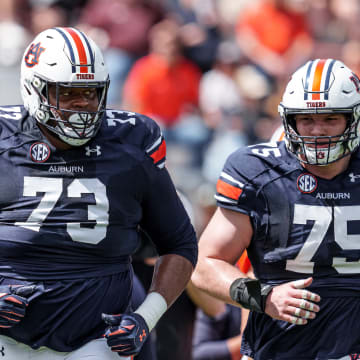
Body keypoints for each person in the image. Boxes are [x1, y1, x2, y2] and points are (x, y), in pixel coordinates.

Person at [0, 26, 198, 359]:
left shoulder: (132, 141)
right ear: (35, 90)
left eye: (90, 92)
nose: (82, 105)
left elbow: (179, 243)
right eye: (67, 93)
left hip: (97, 340)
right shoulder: (5, 139)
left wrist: (144, 317)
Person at [191, 58, 360, 359]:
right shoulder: (259, 171)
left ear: (353, 119)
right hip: (279, 347)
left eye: (330, 119)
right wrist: (264, 297)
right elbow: (204, 263)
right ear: (288, 120)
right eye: (306, 120)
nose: (317, 130)